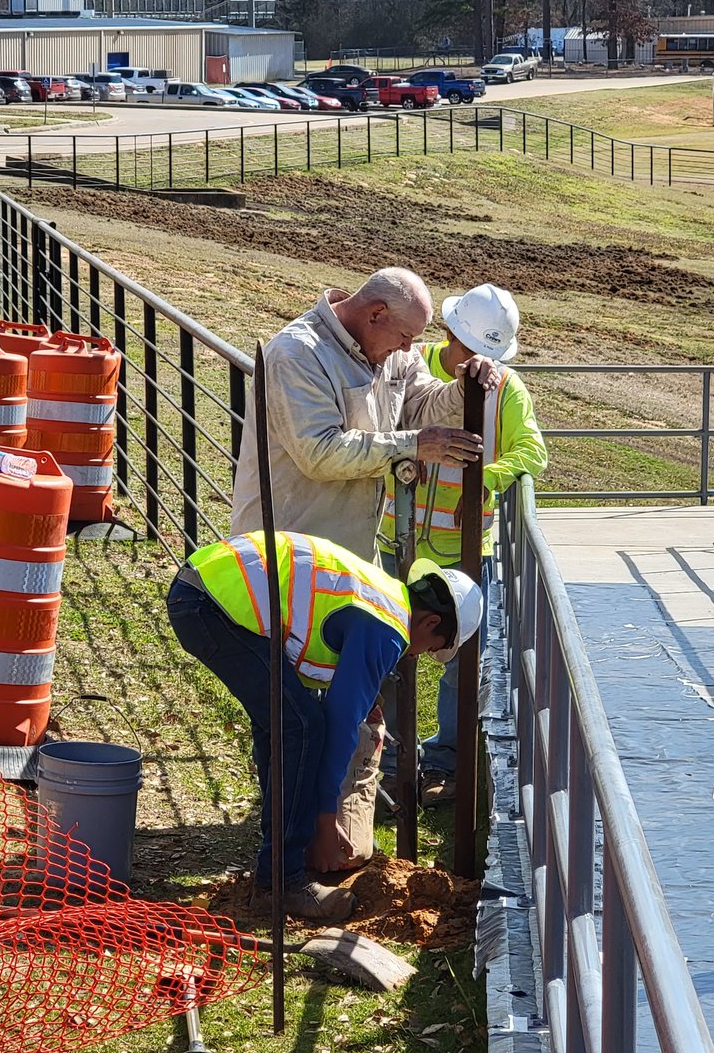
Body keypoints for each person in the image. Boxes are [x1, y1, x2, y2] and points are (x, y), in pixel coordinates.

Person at [166, 530, 483, 922]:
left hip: (206, 591)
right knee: (300, 729)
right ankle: (281, 884)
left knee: (287, 725)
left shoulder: (383, 598)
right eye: (432, 647)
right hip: (211, 605)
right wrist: (325, 823)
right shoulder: (388, 628)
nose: (419, 654)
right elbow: (338, 725)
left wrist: (364, 696)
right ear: (430, 621)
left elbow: (327, 666)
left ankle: (281, 861)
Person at [378, 284, 547, 806]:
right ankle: (384, 758)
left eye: (490, 356)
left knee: (460, 658)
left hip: (463, 546)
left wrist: (485, 482)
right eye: (474, 351)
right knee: (385, 642)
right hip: (395, 534)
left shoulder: (508, 389)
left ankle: (446, 763)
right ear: (448, 334)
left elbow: (532, 452)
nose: (481, 365)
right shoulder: (410, 367)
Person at [230, 267, 501, 562]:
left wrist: (463, 389)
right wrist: (414, 446)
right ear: (376, 314)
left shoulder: (395, 352)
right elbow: (320, 453)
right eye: (406, 335)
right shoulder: (297, 354)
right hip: (285, 557)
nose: (409, 347)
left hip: (348, 555)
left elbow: (421, 405)